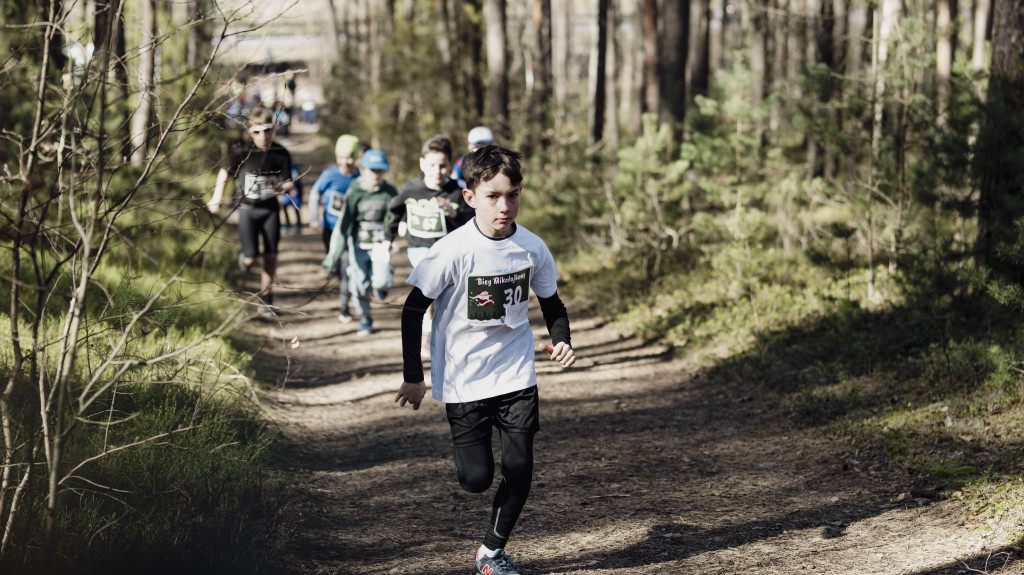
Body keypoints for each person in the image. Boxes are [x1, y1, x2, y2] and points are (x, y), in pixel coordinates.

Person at [394, 145, 576, 575]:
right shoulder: (451, 250)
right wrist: (413, 376)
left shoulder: (532, 247)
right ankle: (479, 496)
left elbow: (552, 304)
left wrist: (561, 339)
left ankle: (491, 551)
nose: (505, 206)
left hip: (515, 372)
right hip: (464, 376)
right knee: (475, 479)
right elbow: (412, 310)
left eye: (512, 195)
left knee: (520, 465)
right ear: (470, 196)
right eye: (493, 196)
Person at [383, 135, 473, 356]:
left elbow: (471, 220)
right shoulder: (410, 189)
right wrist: (388, 237)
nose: (437, 171)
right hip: (420, 250)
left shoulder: (456, 191)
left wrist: (453, 213)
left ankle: (444, 333)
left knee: (447, 295)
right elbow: (393, 212)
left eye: (443, 166)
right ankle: (426, 332)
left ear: (451, 166)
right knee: (430, 288)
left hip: (450, 252)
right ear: (422, 163)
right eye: (432, 165)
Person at [207, 105, 295, 318]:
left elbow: (290, 182)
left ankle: (266, 298)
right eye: (256, 131)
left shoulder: (281, 153)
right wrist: (216, 198)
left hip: (270, 211)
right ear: (249, 132)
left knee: (271, 255)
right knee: (251, 259)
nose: (262, 136)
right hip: (247, 210)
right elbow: (224, 173)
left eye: (266, 130)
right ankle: (244, 261)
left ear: (273, 129)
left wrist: (282, 188)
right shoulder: (242, 153)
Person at [322, 149, 398, 336]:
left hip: (380, 245)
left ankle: (381, 283)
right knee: (359, 285)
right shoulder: (355, 191)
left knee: (381, 281)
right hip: (358, 245)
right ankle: (365, 319)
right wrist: (334, 255)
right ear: (362, 169)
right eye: (372, 170)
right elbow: (344, 223)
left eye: (380, 170)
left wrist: (393, 236)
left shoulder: (389, 192)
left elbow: (396, 217)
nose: (376, 174)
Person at [310, 134, 361, 322]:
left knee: (346, 269)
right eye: (342, 156)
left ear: (355, 157)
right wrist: (314, 218)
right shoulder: (330, 175)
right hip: (330, 230)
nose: (346, 161)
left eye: (350, 156)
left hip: (350, 231)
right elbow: (315, 194)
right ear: (337, 156)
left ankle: (344, 308)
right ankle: (333, 270)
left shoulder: (359, 177)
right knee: (336, 267)